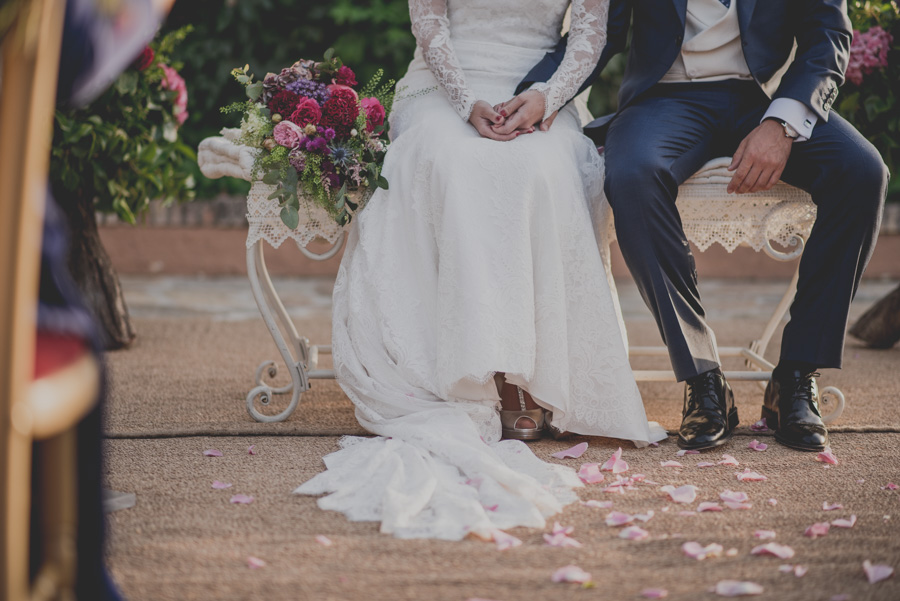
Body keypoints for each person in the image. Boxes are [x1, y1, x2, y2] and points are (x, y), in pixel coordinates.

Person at [295, 0, 665, 541]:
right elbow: (430, 25)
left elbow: (590, 33)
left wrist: (549, 97)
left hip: (537, 86)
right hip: (445, 87)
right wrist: (467, 102)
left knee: (541, 168)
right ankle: (475, 371)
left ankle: (526, 376)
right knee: (453, 160)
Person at [506, 0, 888, 452]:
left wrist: (783, 124)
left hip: (764, 100)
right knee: (632, 175)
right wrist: (538, 91)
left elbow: (828, 32)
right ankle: (704, 379)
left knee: (862, 173)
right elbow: (599, 32)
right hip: (663, 102)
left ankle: (795, 377)